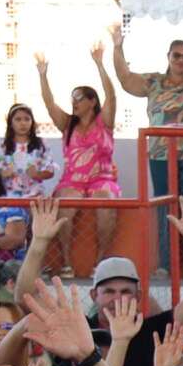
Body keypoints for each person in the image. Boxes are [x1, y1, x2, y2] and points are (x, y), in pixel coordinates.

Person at [115, 23, 183, 272]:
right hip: (161, 157)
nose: (182, 60)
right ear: (169, 57)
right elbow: (125, 79)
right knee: (165, 208)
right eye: (177, 55)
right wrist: (117, 47)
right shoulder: (153, 81)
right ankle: (168, 263)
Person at [36, 43, 121, 265]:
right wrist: (43, 75)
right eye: (72, 98)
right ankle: (65, 262)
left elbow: (111, 96)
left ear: (92, 101)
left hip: (102, 179)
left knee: (106, 203)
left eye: (79, 98)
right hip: (72, 179)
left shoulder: (105, 122)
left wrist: (100, 64)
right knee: (65, 206)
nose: (74, 102)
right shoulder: (67, 124)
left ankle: (102, 261)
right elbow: (49, 103)